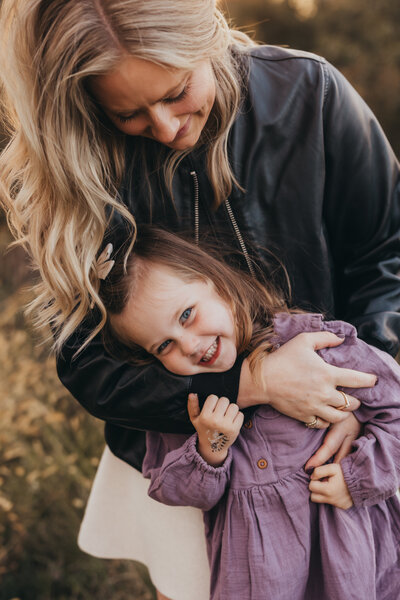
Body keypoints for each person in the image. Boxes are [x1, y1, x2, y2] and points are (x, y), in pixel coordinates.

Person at [1, 0, 399, 598]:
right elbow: (88, 363)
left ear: (207, 37)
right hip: (184, 450)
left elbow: (386, 254)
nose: (164, 128)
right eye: (129, 114)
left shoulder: (308, 92)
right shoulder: (79, 164)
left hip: (334, 439)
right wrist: (252, 382)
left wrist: (359, 401)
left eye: (178, 90)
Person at [100, 227, 400, 600]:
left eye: (187, 315)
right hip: (258, 576)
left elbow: (395, 411)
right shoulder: (191, 406)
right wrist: (211, 449)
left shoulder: (317, 347)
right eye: (164, 345)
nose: (191, 346)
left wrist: (356, 480)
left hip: (348, 556)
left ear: (216, 283)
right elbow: (176, 489)